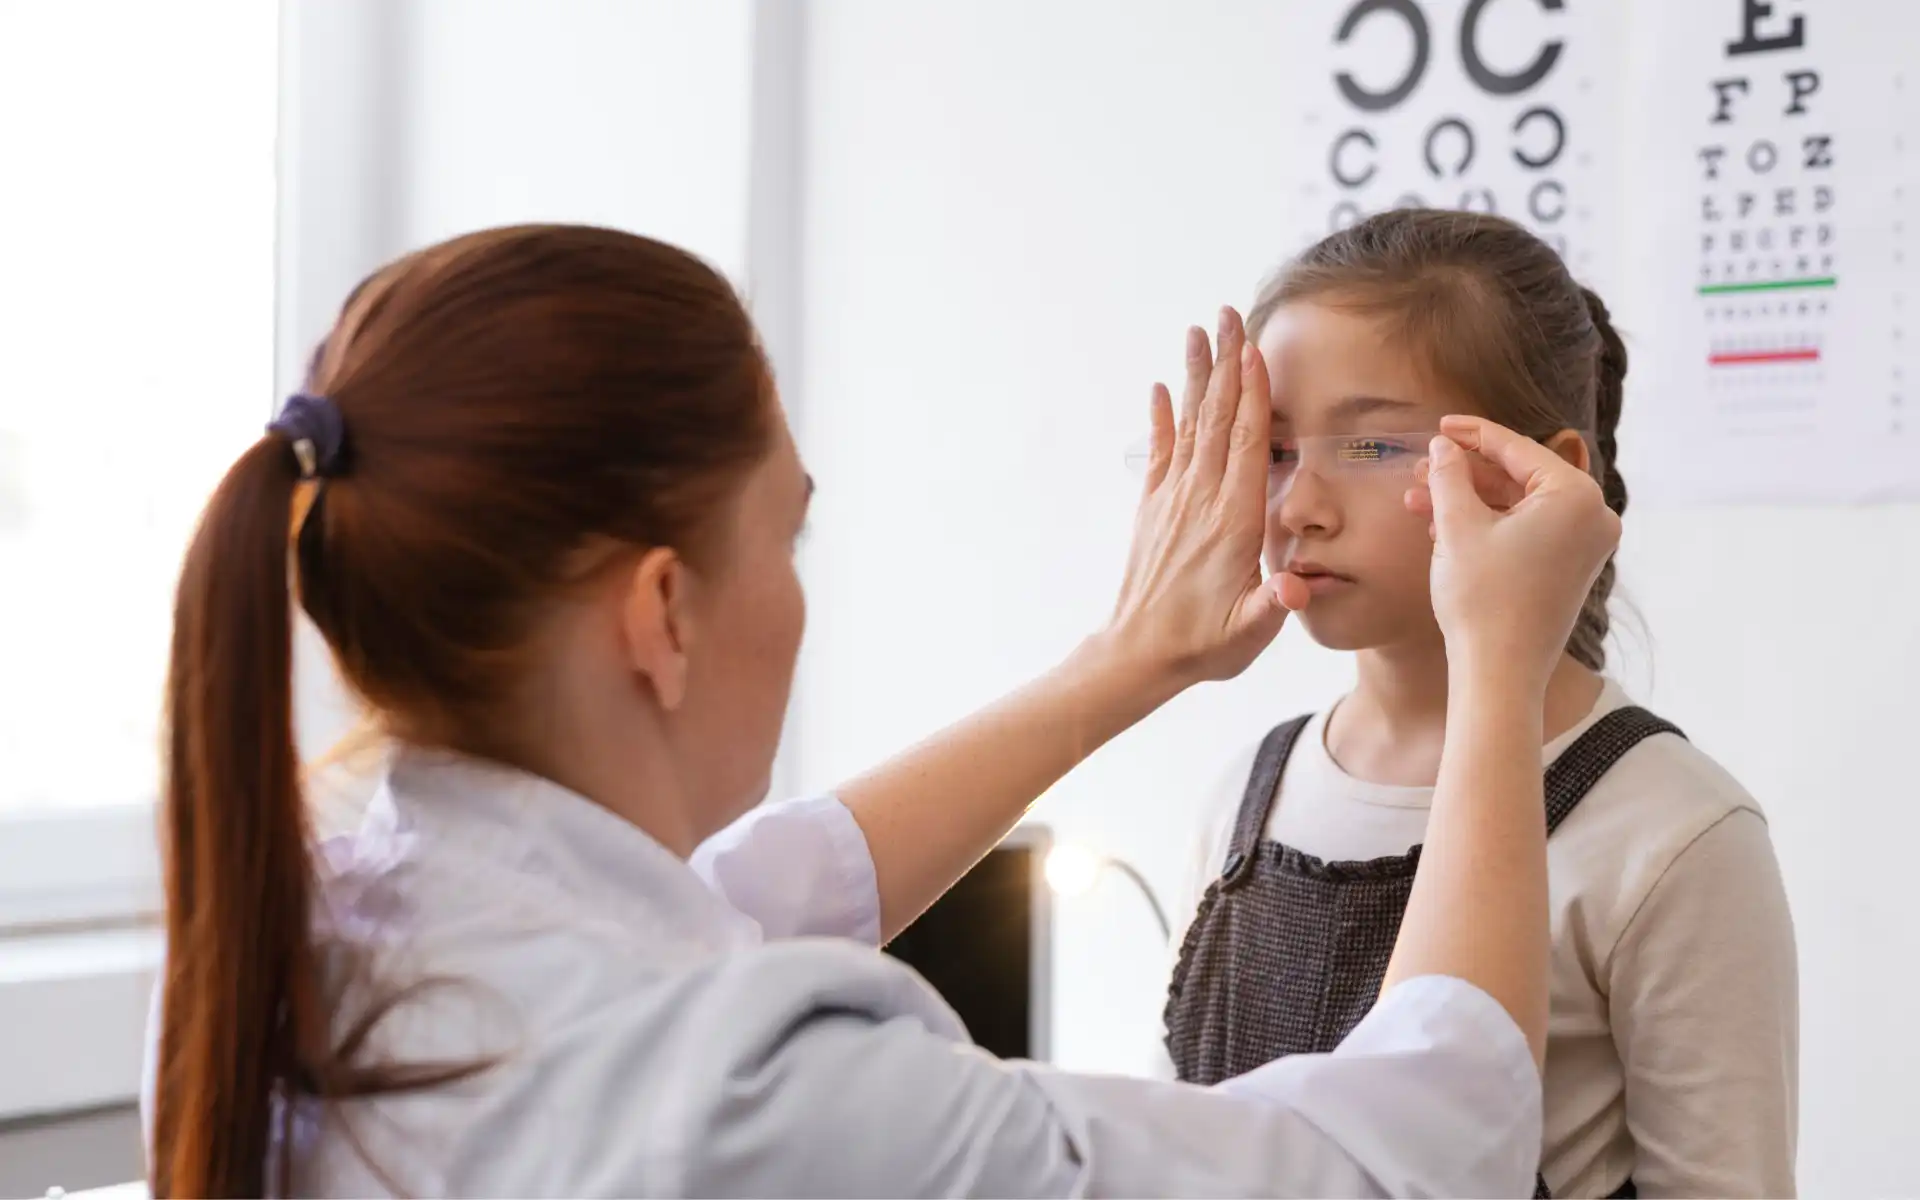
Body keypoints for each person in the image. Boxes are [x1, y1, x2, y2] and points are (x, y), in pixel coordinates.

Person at [144, 223, 1622, 1198]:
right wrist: (1500, 667)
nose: (1298, 500)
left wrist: (1122, 666)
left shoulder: (345, 911)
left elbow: (742, 898)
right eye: (786, 537)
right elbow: (1418, 1156)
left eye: (1367, 446)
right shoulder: (760, 1091)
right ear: (661, 613)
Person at [1156, 210, 1799, 1198]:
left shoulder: (1672, 831)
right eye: (1276, 449)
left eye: (1371, 446)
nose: (1298, 507)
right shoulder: (1251, 792)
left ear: (1546, 482)